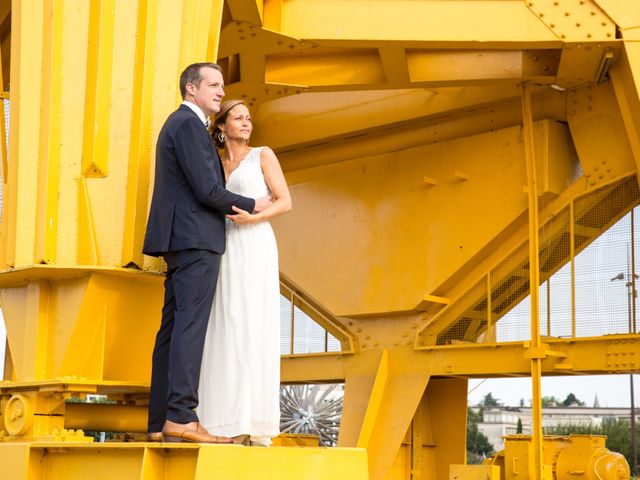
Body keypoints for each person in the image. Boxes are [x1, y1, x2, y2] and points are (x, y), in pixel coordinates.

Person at [143, 63, 271, 443]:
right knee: (189, 327)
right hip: (196, 239)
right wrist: (255, 203)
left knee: (172, 329)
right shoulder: (187, 125)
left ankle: (160, 422)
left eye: (221, 85)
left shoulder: (184, 126)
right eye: (213, 84)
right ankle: (181, 417)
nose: (220, 90)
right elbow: (208, 192)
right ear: (190, 88)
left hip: (181, 239)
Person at [196, 99, 292, 447]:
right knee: (226, 323)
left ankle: (253, 420)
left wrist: (253, 217)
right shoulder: (216, 165)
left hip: (255, 243)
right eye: (238, 118)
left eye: (248, 118)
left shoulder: (263, 154)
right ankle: (221, 420)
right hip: (225, 246)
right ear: (221, 126)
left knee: (253, 322)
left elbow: (284, 200)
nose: (246, 123)